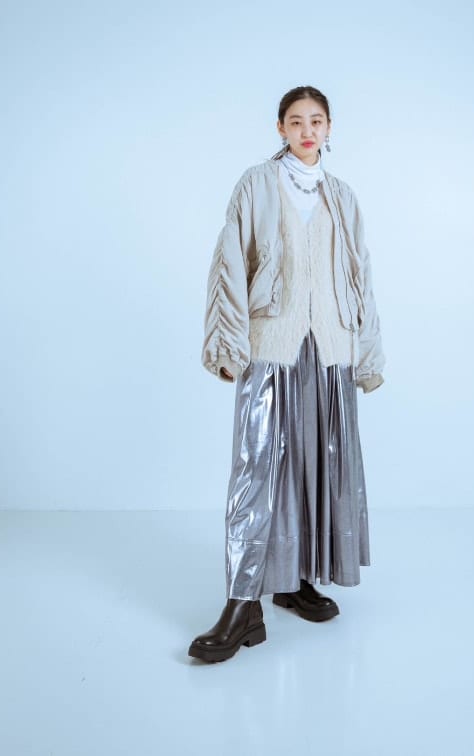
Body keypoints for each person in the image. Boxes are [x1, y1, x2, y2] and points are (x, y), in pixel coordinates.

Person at [188, 85, 385, 663]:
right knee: (257, 471)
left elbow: (361, 275)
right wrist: (227, 342)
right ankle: (241, 605)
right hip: (271, 345)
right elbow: (228, 264)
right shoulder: (256, 184)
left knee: (316, 466)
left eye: (316, 121)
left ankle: (295, 581)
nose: (306, 131)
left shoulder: (342, 196)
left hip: (330, 350)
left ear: (329, 128)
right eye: (296, 121)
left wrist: (367, 353)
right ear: (280, 127)